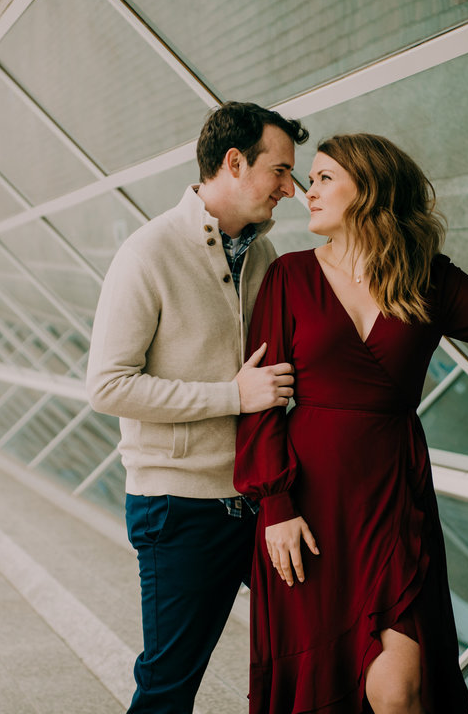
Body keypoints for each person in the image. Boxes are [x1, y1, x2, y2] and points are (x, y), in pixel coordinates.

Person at [235, 133, 468, 714]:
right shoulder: (288, 276)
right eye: (310, 180)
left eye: (325, 178)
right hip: (307, 508)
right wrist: (277, 507)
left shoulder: (427, 277)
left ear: (370, 188)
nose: (308, 192)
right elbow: (261, 403)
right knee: (320, 686)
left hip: (391, 496)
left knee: (400, 690)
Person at [86, 101, 309, 713]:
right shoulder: (147, 253)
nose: (292, 188)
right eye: (281, 171)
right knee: (169, 685)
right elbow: (107, 385)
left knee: (316, 648)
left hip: (258, 500)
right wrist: (232, 397)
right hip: (178, 506)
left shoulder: (262, 256)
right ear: (235, 163)